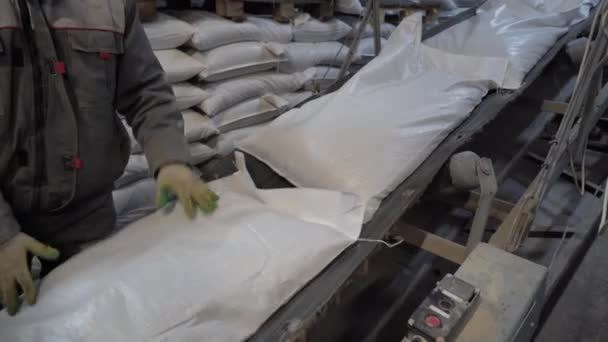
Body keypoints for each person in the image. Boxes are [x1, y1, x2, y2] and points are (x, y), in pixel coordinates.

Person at [0, 0, 219, 316]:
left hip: (85, 216)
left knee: (97, 317)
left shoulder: (109, 7)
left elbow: (146, 92)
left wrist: (170, 159)